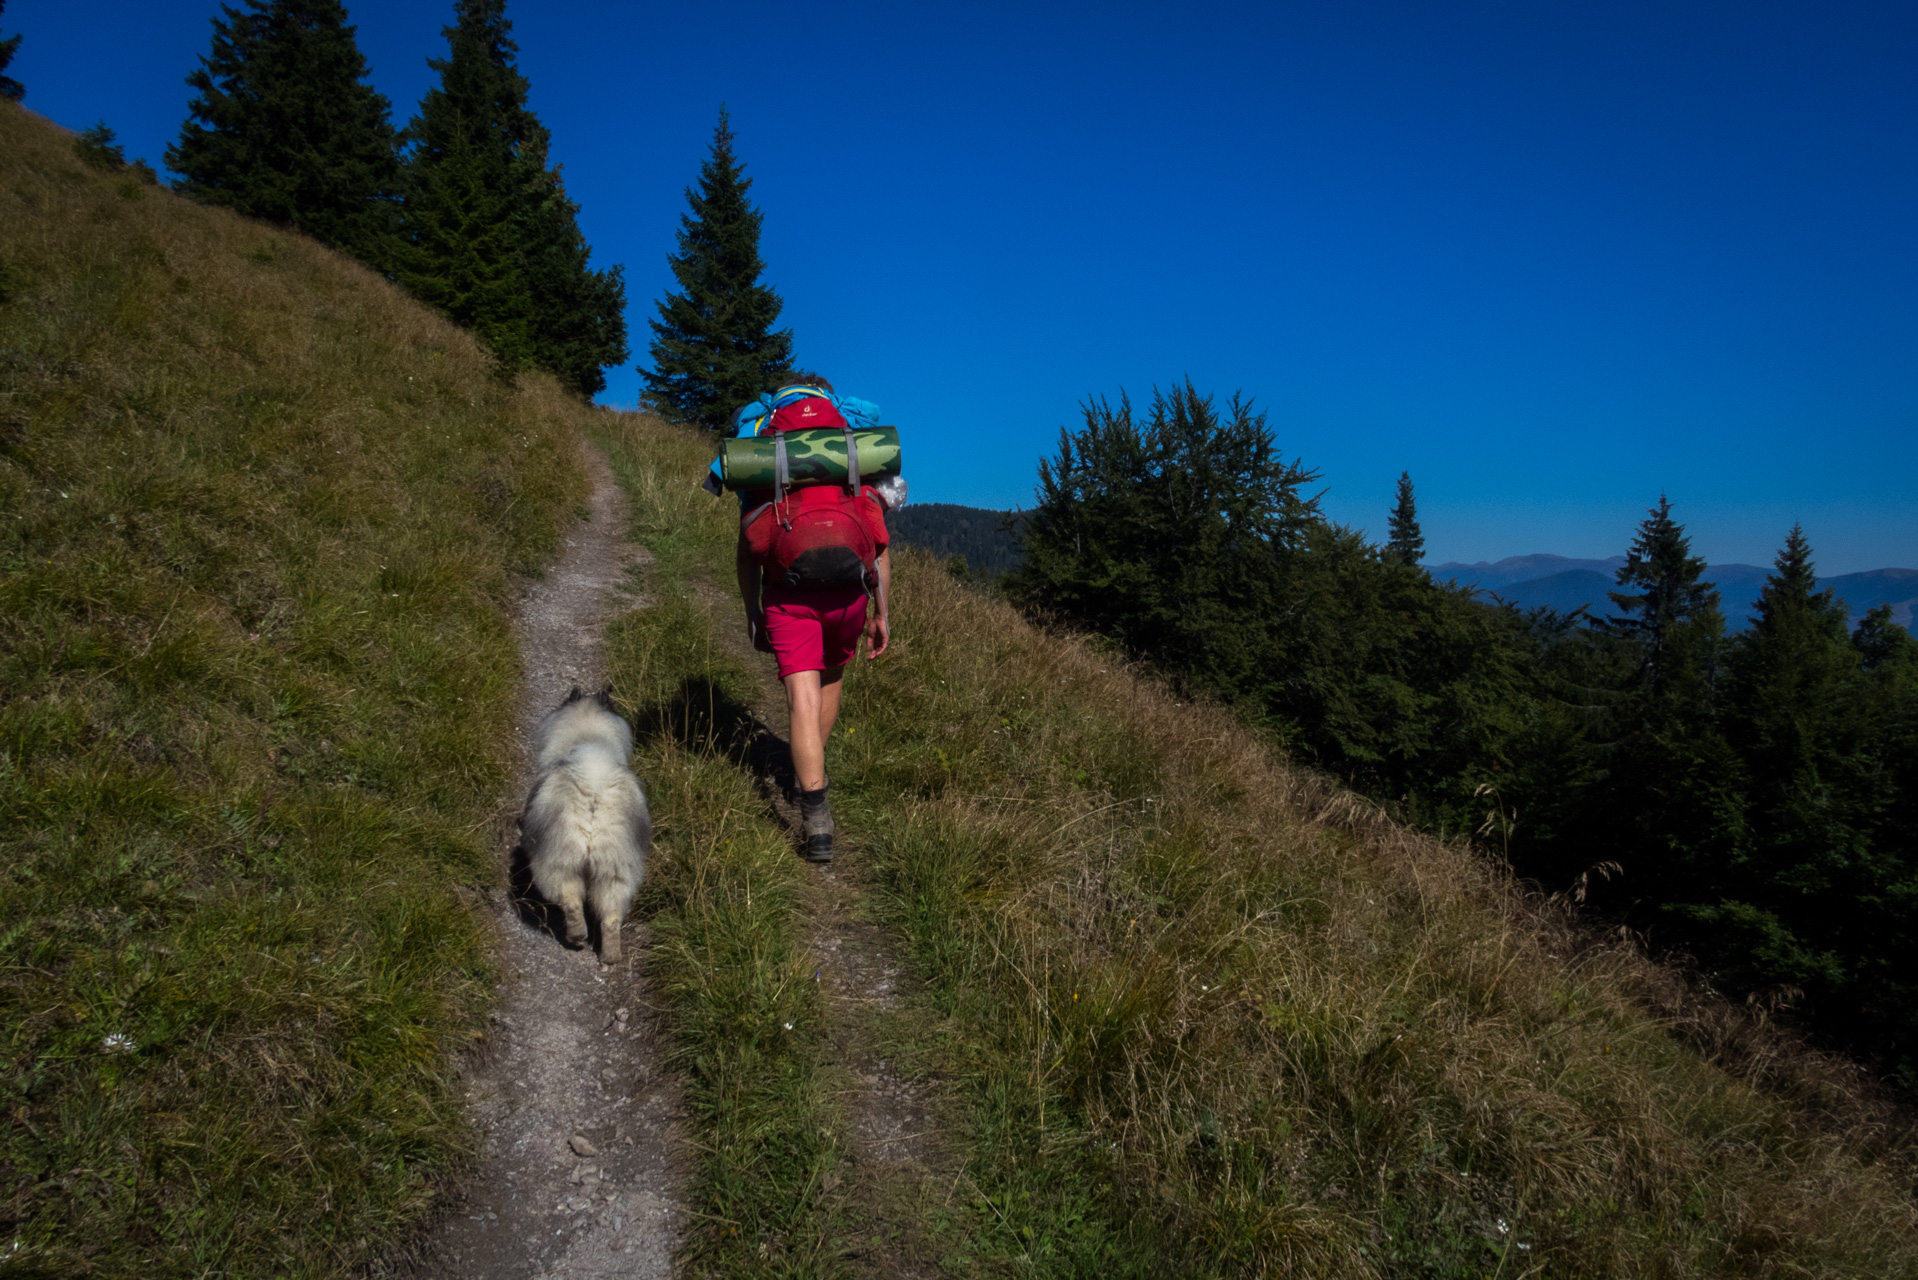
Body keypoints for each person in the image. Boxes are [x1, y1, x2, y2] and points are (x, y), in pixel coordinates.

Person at [733, 374, 892, 862]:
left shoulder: (767, 452)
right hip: (849, 594)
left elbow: (746, 548)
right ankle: (809, 781)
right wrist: (881, 613)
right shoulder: (850, 453)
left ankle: (816, 818)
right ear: (829, 401)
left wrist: (753, 611)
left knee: (801, 701)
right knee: (831, 682)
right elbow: (880, 545)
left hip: (789, 594)